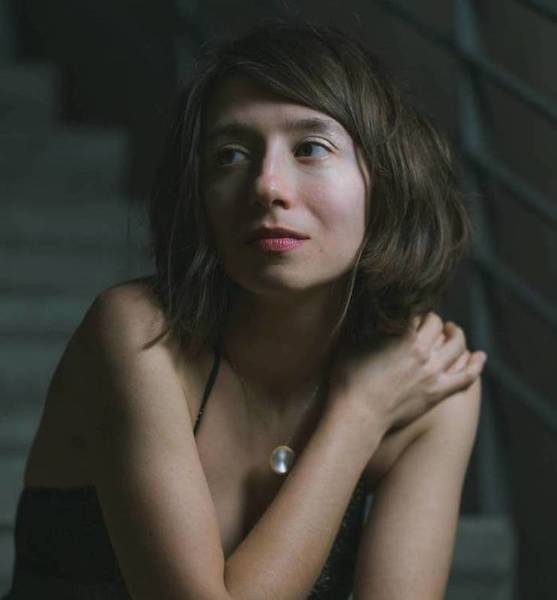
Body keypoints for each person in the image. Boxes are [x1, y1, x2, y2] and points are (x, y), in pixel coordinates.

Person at [3, 20, 487, 600]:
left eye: (311, 148)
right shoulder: (137, 332)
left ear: (385, 180)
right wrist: (358, 415)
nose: (267, 186)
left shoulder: (427, 377)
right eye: (230, 155)